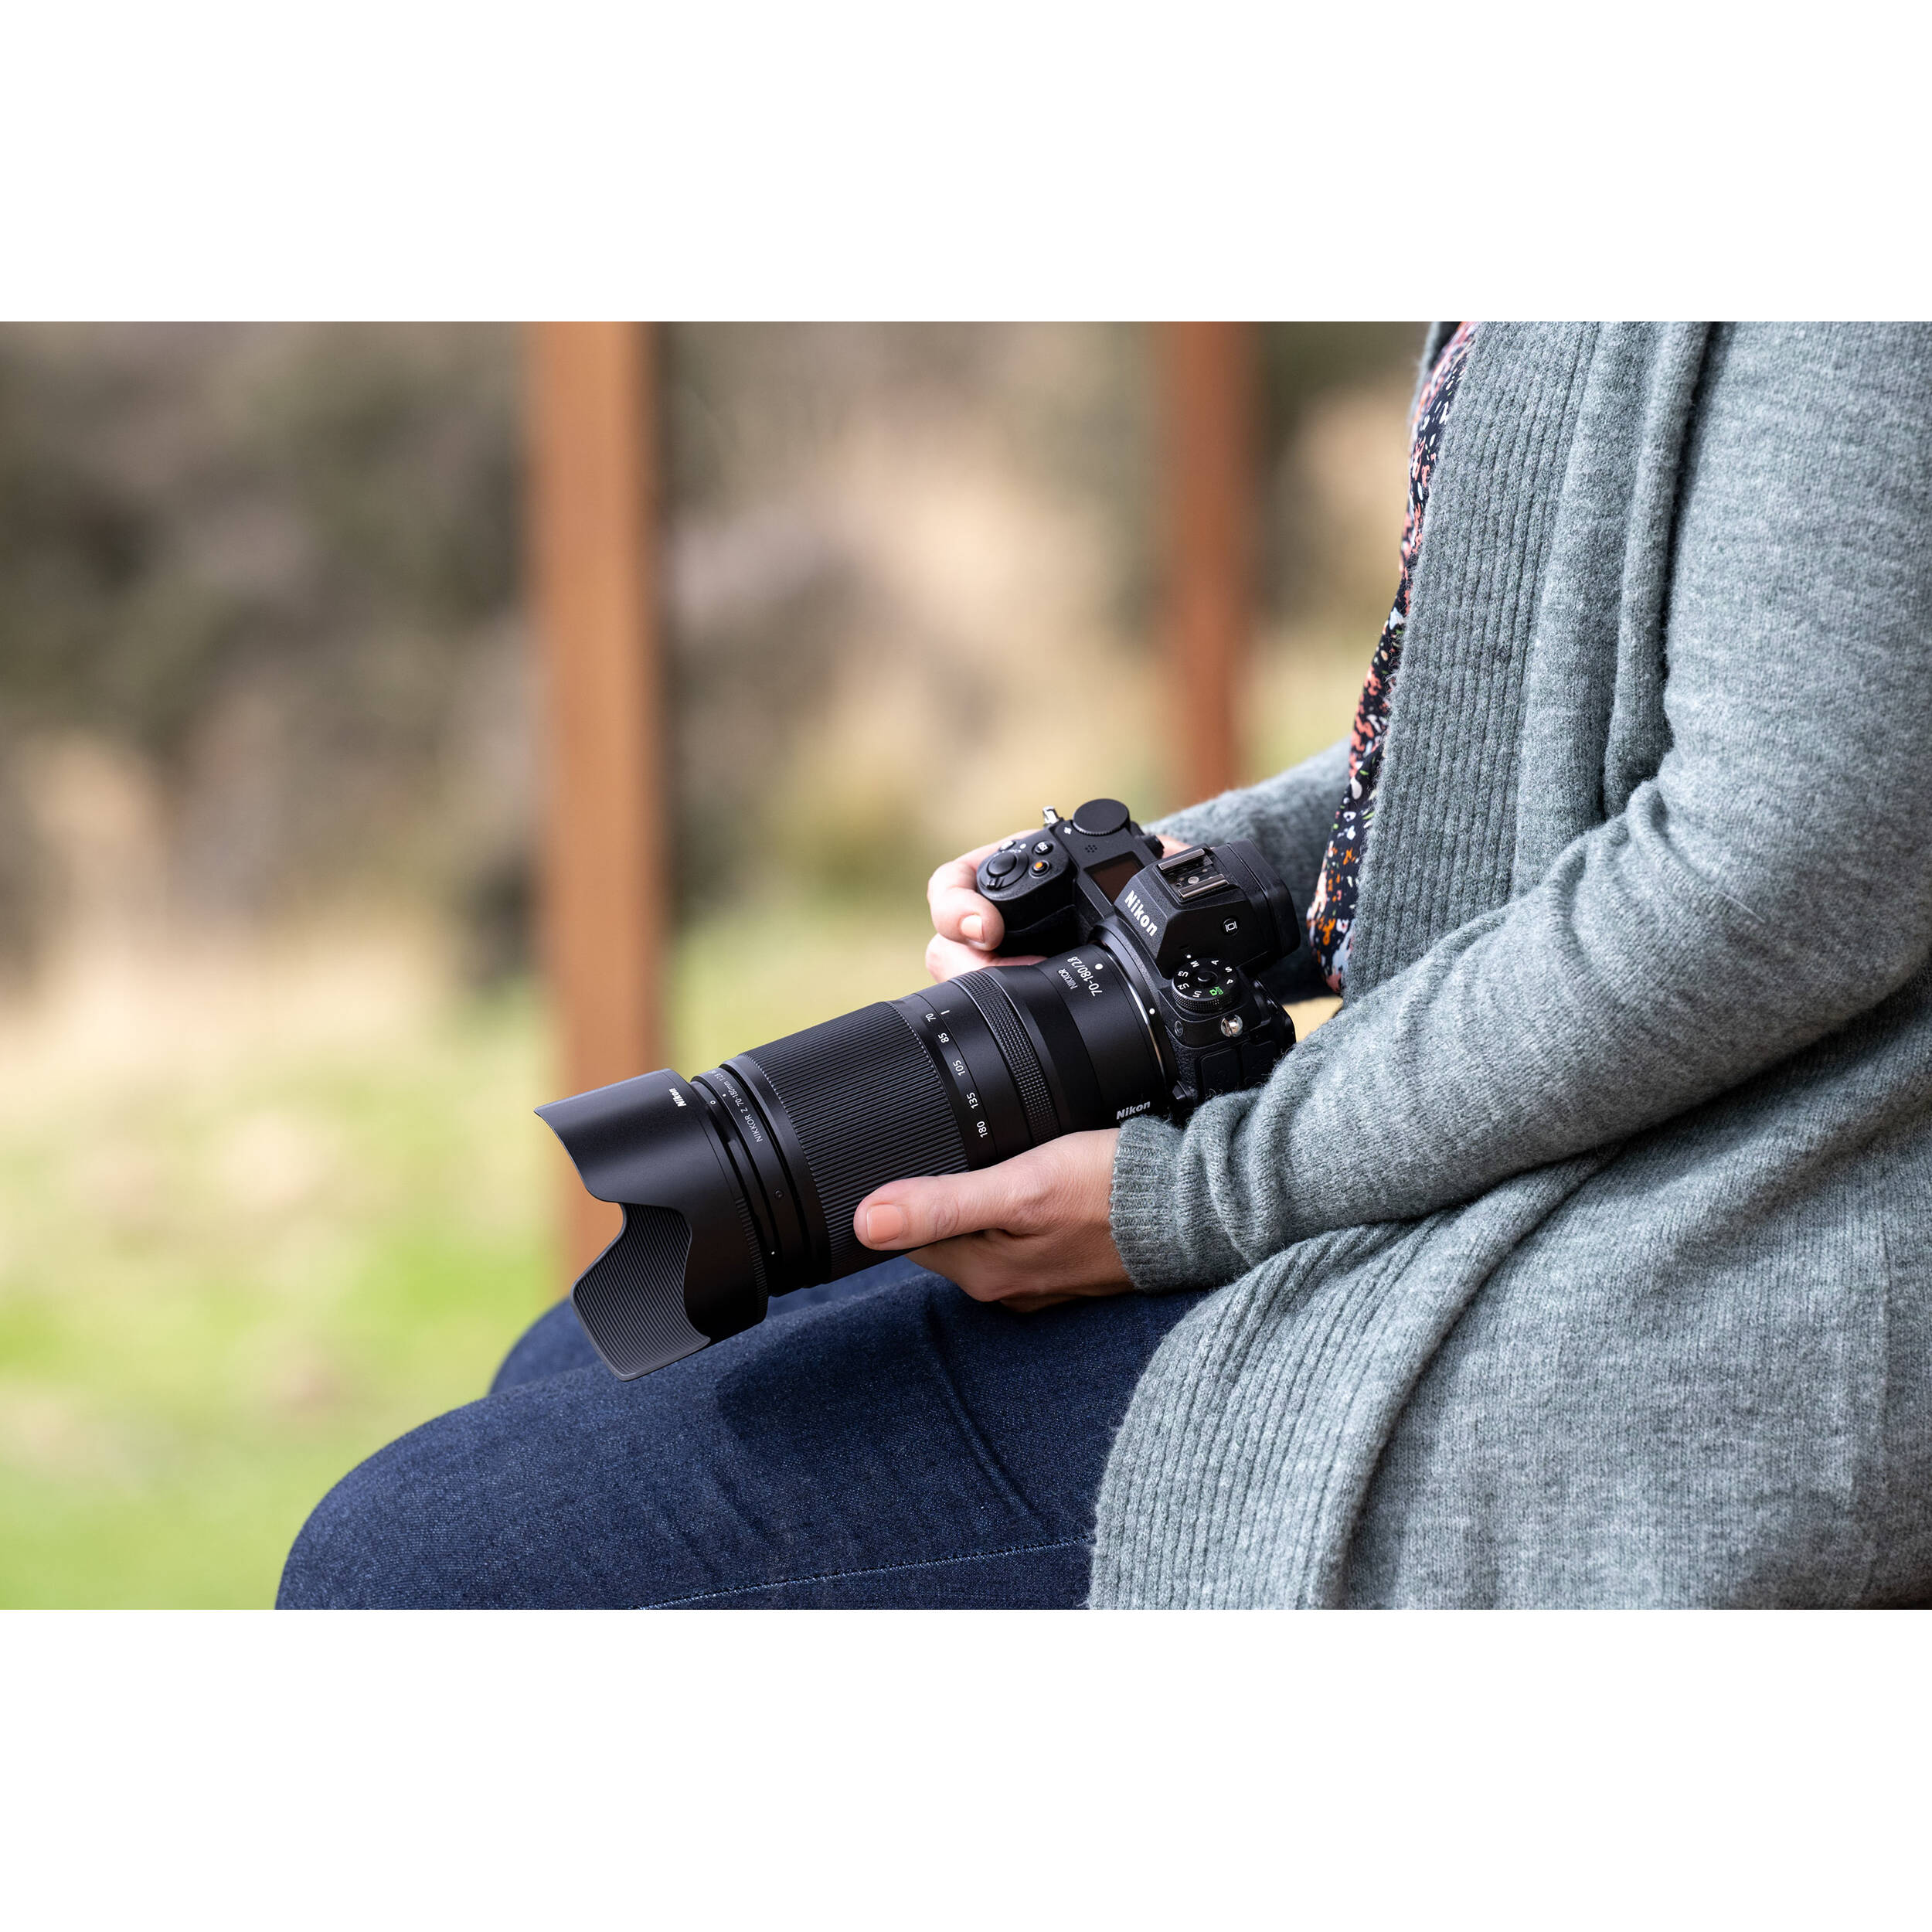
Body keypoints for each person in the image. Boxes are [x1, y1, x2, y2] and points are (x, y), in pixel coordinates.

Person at [279, 322, 1932, 1610]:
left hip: (1693, 1279)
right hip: (1521, 1183)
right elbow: (1520, 732)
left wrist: (1200, 1189)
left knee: (419, 1567)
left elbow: (1783, 866)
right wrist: (1173, 881)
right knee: (570, 1357)